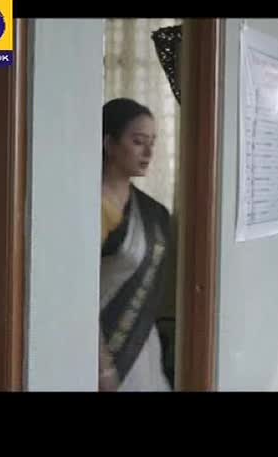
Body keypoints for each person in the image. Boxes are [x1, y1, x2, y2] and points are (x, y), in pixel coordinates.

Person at [99, 97, 175, 392]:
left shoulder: (153, 213)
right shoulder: (87, 205)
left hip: (140, 344)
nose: (149, 152)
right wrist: (103, 366)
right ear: (109, 143)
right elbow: (73, 290)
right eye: (138, 141)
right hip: (92, 345)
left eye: (152, 142)